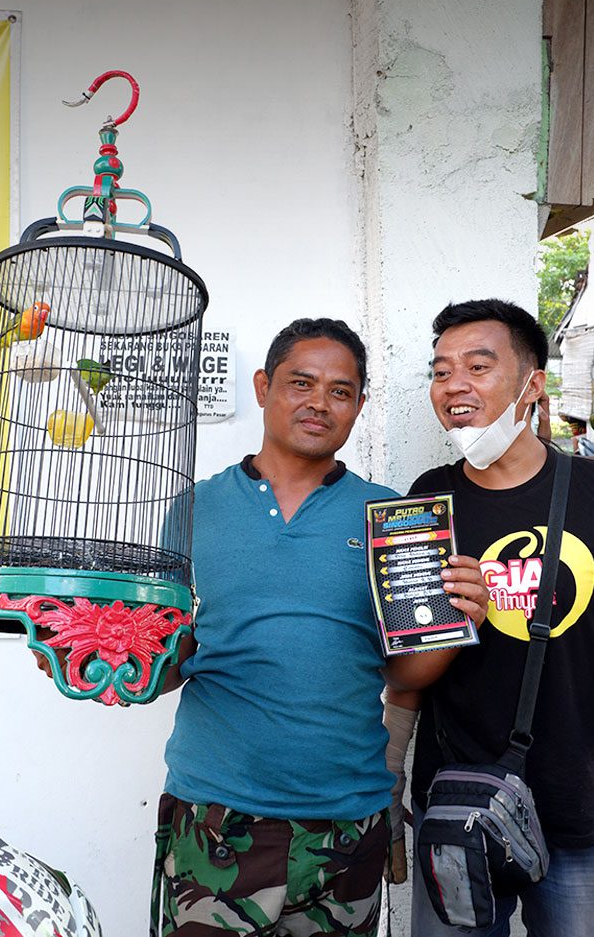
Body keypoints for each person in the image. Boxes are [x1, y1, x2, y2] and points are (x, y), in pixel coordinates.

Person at [152, 317, 488, 937]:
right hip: (215, 814)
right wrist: (103, 659)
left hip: (346, 824)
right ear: (263, 386)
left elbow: (405, 672)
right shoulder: (194, 507)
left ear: (360, 404)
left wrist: (457, 624)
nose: (318, 402)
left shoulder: (393, 518)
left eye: (340, 391)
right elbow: (168, 659)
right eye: (300, 383)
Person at [385, 298, 594, 937]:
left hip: (587, 805)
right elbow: (405, 671)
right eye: (440, 371)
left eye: (478, 366)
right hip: (458, 806)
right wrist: (458, 620)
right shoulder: (424, 503)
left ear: (532, 384)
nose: (454, 384)